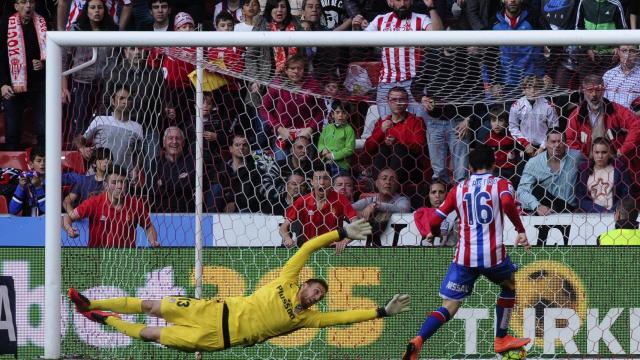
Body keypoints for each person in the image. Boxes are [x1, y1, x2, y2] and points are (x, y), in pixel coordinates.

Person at [67, 220, 412, 352]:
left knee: (150, 334)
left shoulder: (306, 318)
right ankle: (90, 304)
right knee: (151, 306)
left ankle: (101, 319)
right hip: (212, 309)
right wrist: (340, 233)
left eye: (320, 296)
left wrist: (381, 310)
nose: (315, 295)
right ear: (305, 283)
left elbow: (344, 318)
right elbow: (306, 247)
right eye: (315, 289)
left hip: (217, 338)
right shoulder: (287, 280)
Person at [403, 144, 531, 360]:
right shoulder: (500, 184)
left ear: (469, 166)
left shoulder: (458, 188)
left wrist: (433, 233)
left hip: (464, 257)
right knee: (510, 286)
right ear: (494, 163)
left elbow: (435, 219)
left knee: (449, 306)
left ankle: (419, 340)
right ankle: (501, 338)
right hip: (492, 256)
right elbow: (508, 201)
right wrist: (520, 229)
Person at [352, 0, 443, 120]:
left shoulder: (422, 19)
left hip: (415, 84)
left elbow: (439, 36)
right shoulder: (380, 20)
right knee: (387, 125)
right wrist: (355, 29)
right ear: (390, 2)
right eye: (399, 0)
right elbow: (360, 44)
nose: (403, 4)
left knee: (418, 125)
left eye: (406, 0)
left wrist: (431, 7)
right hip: (387, 82)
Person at [63, 164, 159, 248]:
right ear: (105, 185)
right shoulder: (93, 202)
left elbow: (148, 226)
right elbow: (67, 216)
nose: (119, 186)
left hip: (126, 259)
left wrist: (153, 241)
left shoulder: (135, 204)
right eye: (114, 182)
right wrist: (69, 228)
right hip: (97, 258)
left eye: (122, 182)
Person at [62, 0, 117, 137]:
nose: (96, 11)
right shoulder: (77, 29)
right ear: (86, 11)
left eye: (100, 7)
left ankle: (101, 156)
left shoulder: (113, 31)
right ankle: (79, 154)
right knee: (80, 122)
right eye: (92, 7)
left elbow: (118, 57)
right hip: (81, 83)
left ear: (105, 10)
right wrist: (63, 86)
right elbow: (64, 59)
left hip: (106, 84)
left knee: (104, 122)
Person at [0, 0, 48, 150]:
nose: (28, 6)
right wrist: (2, 84)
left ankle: (45, 166)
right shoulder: (5, 25)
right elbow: (0, 57)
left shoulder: (43, 24)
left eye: (31, 2)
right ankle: (12, 170)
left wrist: (44, 64)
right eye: (23, 2)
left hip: (38, 84)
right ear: (15, 6)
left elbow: (54, 53)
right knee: (12, 131)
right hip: (12, 85)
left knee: (43, 129)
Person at [259, 54, 324, 161]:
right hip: (283, 134)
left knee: (305, 165)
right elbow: (264, 109)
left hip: (305, 134)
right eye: (292, 68)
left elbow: (322, 110)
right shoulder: (277, 84)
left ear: (304, 70)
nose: (296, 71)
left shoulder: (313, 85)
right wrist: (278, 128)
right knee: (282, 163)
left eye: (299, 68)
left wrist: (311, 128)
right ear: (286, 70)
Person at [280, 164, 358, 247]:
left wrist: (344, 241)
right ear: (312, 182)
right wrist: (287, 238)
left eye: (325, 178)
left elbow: (357, 225)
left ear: (331, 182)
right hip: (308, 248)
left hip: (332, 250)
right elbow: (283, 227)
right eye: (317, 178)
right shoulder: (302, 201)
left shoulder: (340, 199)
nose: (322, 182)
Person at [364, 86, 426, 183]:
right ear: (388, 102)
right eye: (394, 100)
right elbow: (368, 149)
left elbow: (420, 146)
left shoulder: (416, 121)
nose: (398, 103)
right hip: (385, 165)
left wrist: (397, 140)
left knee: (399, 148)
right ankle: (381, 185)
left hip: (410, 168)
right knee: (383, 148)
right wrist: (381, 131)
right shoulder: (382, 123)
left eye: (401, 99)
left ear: (407, 102)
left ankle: (390, 184)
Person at [74, 84, 143, 170]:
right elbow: (80, 139)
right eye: (121, 98)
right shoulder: (100, 120)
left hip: (121, 179)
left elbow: (139, 153)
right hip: (97, 176)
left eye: (129, 99)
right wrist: (82, 148)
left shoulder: (137, 128)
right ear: (113, 101)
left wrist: (136, 169)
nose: (125, 102)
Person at [517, 128, 585, 215]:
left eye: (560, 141)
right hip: (547, 211)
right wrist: (537, 206)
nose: (557, 145)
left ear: (565, 143)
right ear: (546, 143)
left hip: (571, 211)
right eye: (553, 142)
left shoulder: (576, 157)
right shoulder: (534, 163)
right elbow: (522, 191)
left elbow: (592, 166)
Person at [352, 168, 410, 246]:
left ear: (397, 185)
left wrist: (375, 205)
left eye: (392, 180)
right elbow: (349, 208)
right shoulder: (369, 200)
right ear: (376, 183)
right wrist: (362, 214)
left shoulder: (402, 200)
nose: (388, 182)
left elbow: (403, 209)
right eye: (384, 178)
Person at [575, 137, 633, 213]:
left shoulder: (619, 169)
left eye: (604, 152)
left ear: (609, 152)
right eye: (597, 152)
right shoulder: (584, 171)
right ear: (592, 152)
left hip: (614, 215)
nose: (600, 156)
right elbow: (580, 198)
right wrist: (600, 210)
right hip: (590, 215)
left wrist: (613, 211)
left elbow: (626, 195)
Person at [508, 76, 559, 159]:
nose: (532, 91)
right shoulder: (516, 105)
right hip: (524, 146)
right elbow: (513, 127)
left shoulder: (548, 106)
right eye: (529, 87)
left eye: (536, 87)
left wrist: (542, 147)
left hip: (544, 146)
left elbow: (554, 128)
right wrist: (526, 144)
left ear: (541, 89)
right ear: (523, 90)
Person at [152, 127, 195, 213]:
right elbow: (155, 189)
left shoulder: (192, 161)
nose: (174, 142)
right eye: (170, 138)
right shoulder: (156, 162)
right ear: (164, 143)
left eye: (178, 138)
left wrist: (163, 183)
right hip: (160, 212)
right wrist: (178, 181)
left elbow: (188, 186)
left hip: (187, 212)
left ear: (183, 143)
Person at [63, 147, 112, 214]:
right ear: (94, 163)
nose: (106, 161)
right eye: (102, 159)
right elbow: (66, 201)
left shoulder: (116, 181)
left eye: (109, 159)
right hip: (87, 219)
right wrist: (72, 215)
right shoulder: (84, 181)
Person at [317, 100, 356, 175]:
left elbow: (349, 149)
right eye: (337, 112)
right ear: (332, 114)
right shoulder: (327, 128)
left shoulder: (349, 130)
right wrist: (323, 150)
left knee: (338, 181)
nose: (340, 115)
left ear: (348, 115)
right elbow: (320, 143)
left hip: (341, 165)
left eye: (343, 112)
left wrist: (333, 155)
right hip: (326, 163)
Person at [485, 105, 521, 186]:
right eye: (493, 120)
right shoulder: (488, 137)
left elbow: (519, 153)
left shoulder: (512, 136)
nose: (497, 124)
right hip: (495, 171)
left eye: (500, 120)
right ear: (490, 122)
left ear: (506, 122)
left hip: (511, 171)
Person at [602, 45, 640, 115]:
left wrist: (632, 116)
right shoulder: (608, 75)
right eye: (624, 50)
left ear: (637, 53)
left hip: (634, 120)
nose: (628, 55)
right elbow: (603, 101)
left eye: (632, 51)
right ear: (619, 52)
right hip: (612, 119)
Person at [9, 146, 46, 216]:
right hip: (27, 223)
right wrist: (20, 188)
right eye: (39, 161)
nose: (42, 164)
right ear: (31, 164)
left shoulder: (54, 183)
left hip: (46, 224)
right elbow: (12, 211)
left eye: (45, 161)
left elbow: (46, 210)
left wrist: (38, 188)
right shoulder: (25, 180)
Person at [57, 0, 131, 31]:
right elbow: (62, 2)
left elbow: (127, 3)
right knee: (74, 58)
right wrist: (60, 30)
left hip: (108, 29)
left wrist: (120, 30)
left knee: (107, 58)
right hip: (77, 27)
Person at [425, 180, 457, 246]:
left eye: (441, 192)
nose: (437, 195)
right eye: (433, 192)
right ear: (428, 195)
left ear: (447, 194)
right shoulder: (421, 213)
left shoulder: (455, 215)